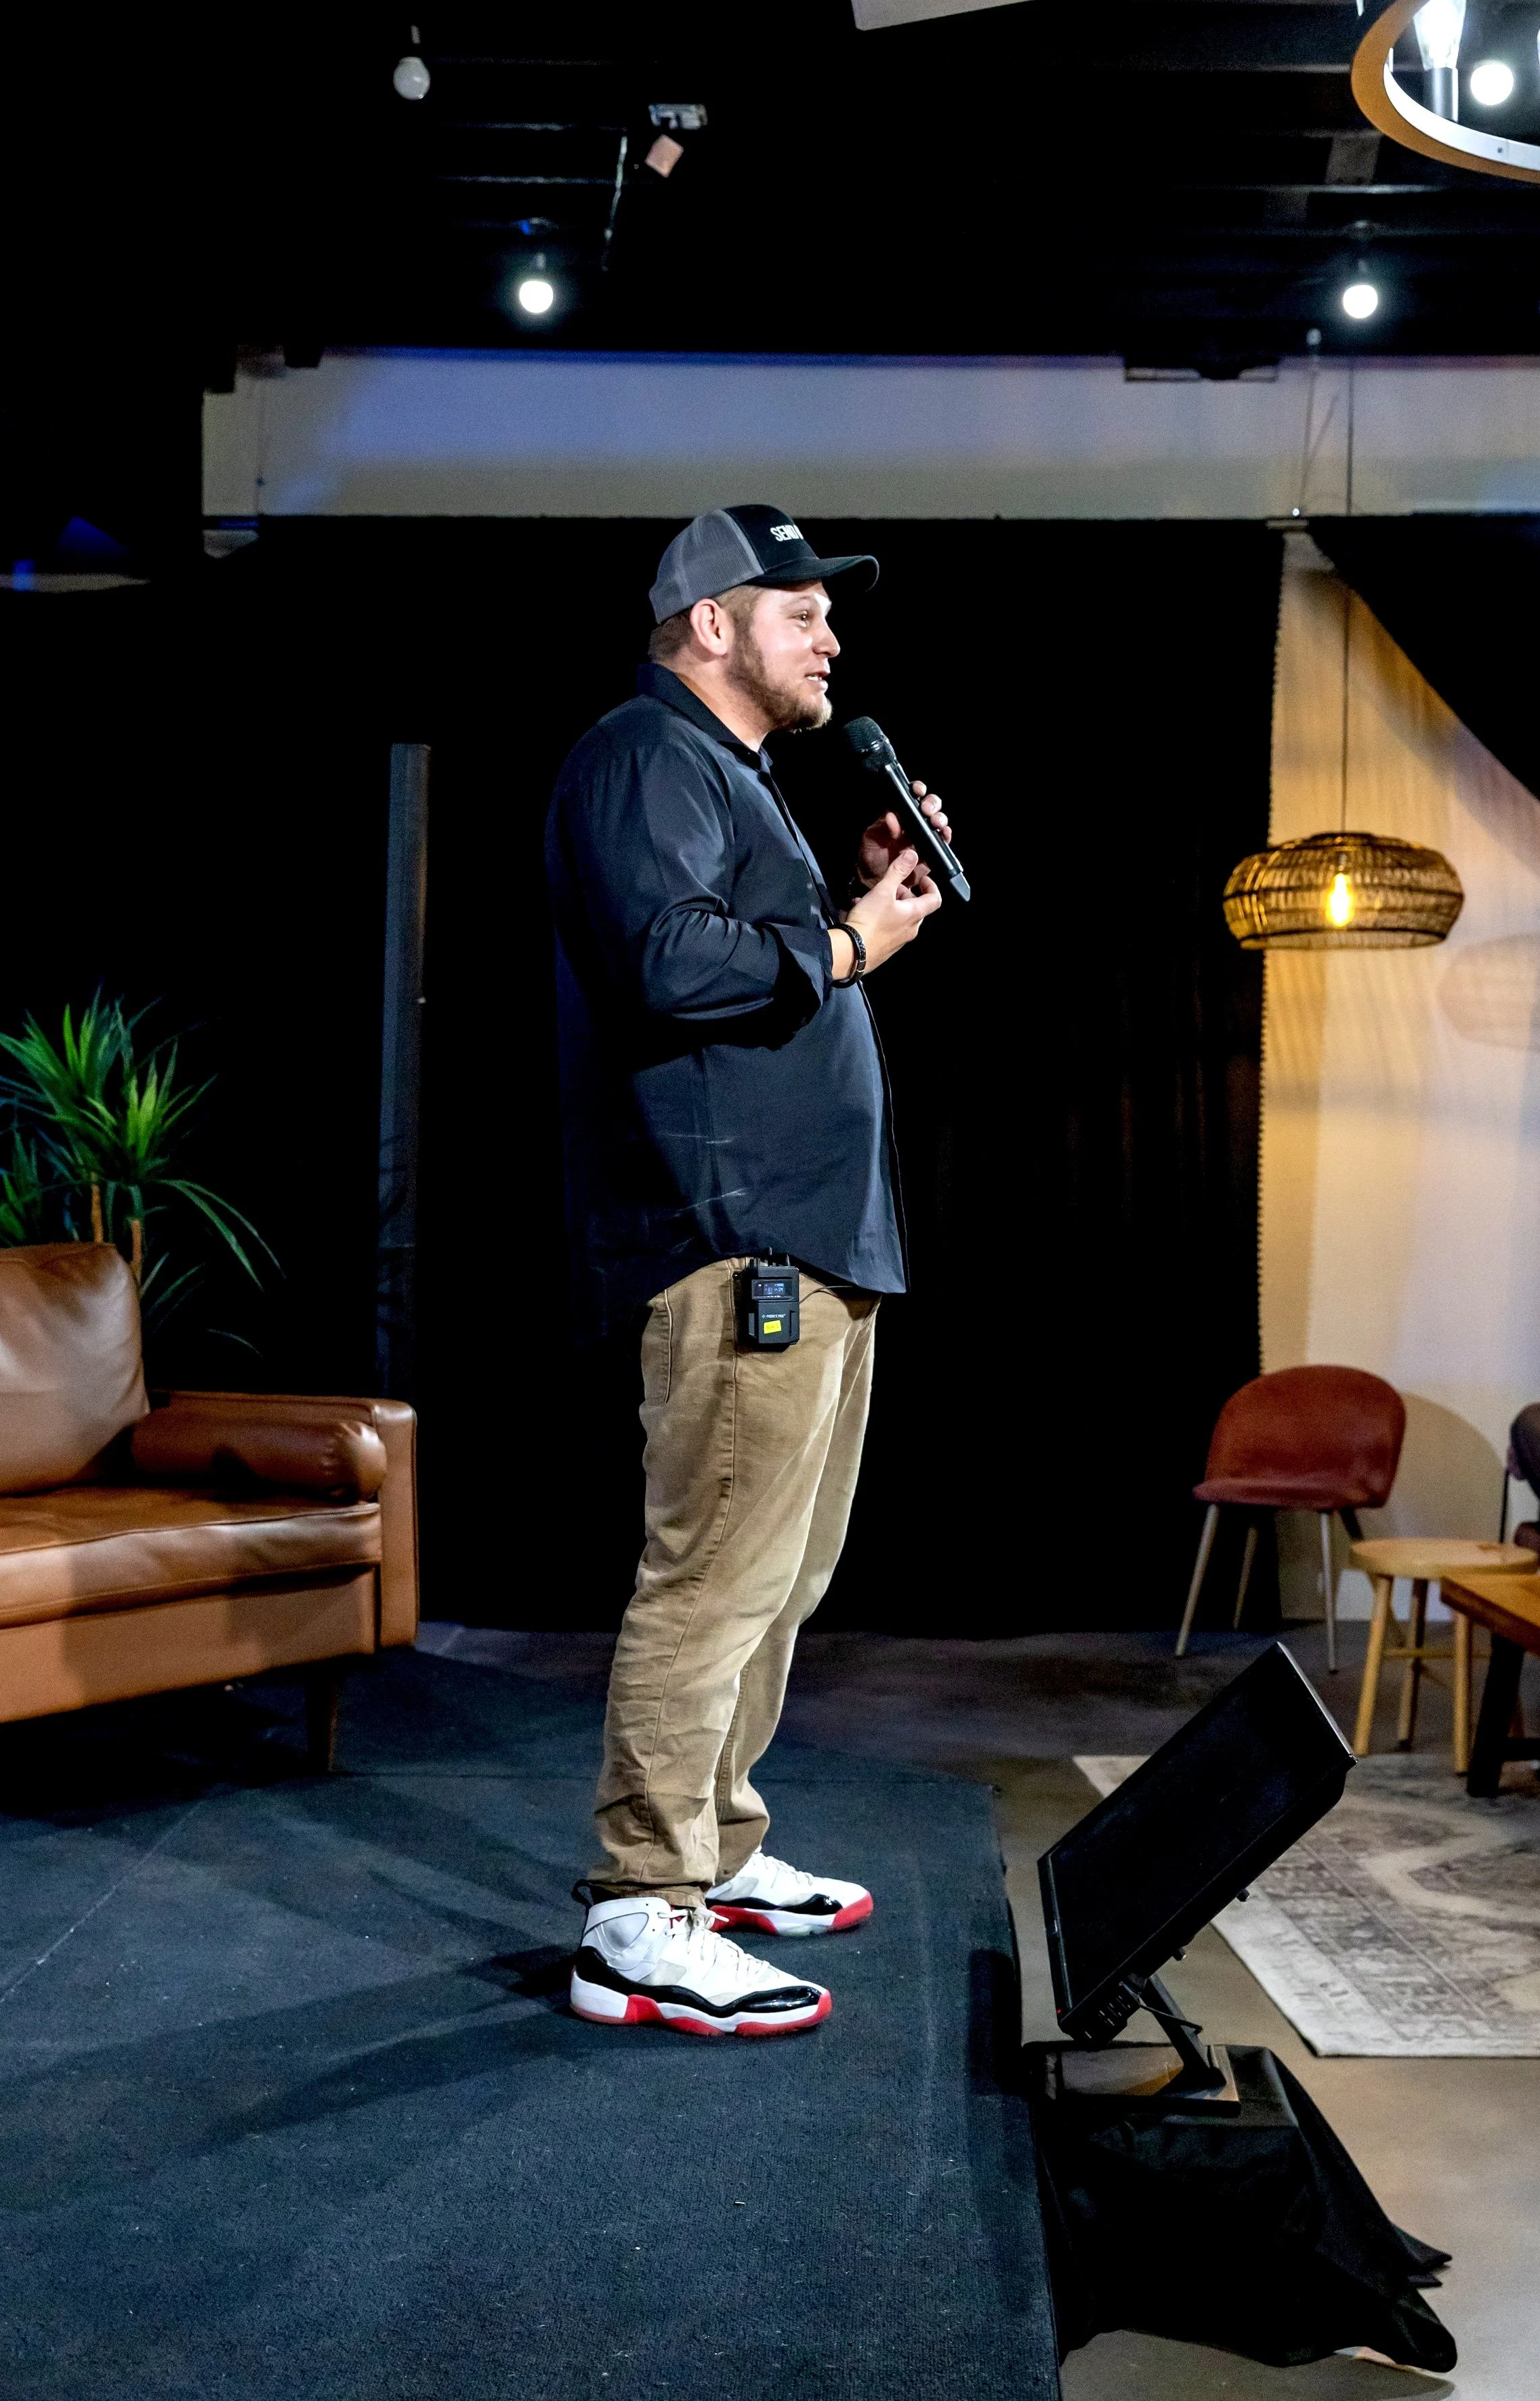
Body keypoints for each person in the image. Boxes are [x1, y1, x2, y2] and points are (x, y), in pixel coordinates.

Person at [544, 503, 952, 2037]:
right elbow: (669, 962)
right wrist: (845, 945)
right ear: (710, 623)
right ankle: (638, 1913)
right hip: (734, 1242)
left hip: (810, 1240)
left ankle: (714, 1849)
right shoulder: (641, 755)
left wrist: (850, 891)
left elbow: (735, 947)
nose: (830, 637)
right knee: (712, 1576)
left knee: (780, 1576)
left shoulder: (736, 779)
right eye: (801, 611)